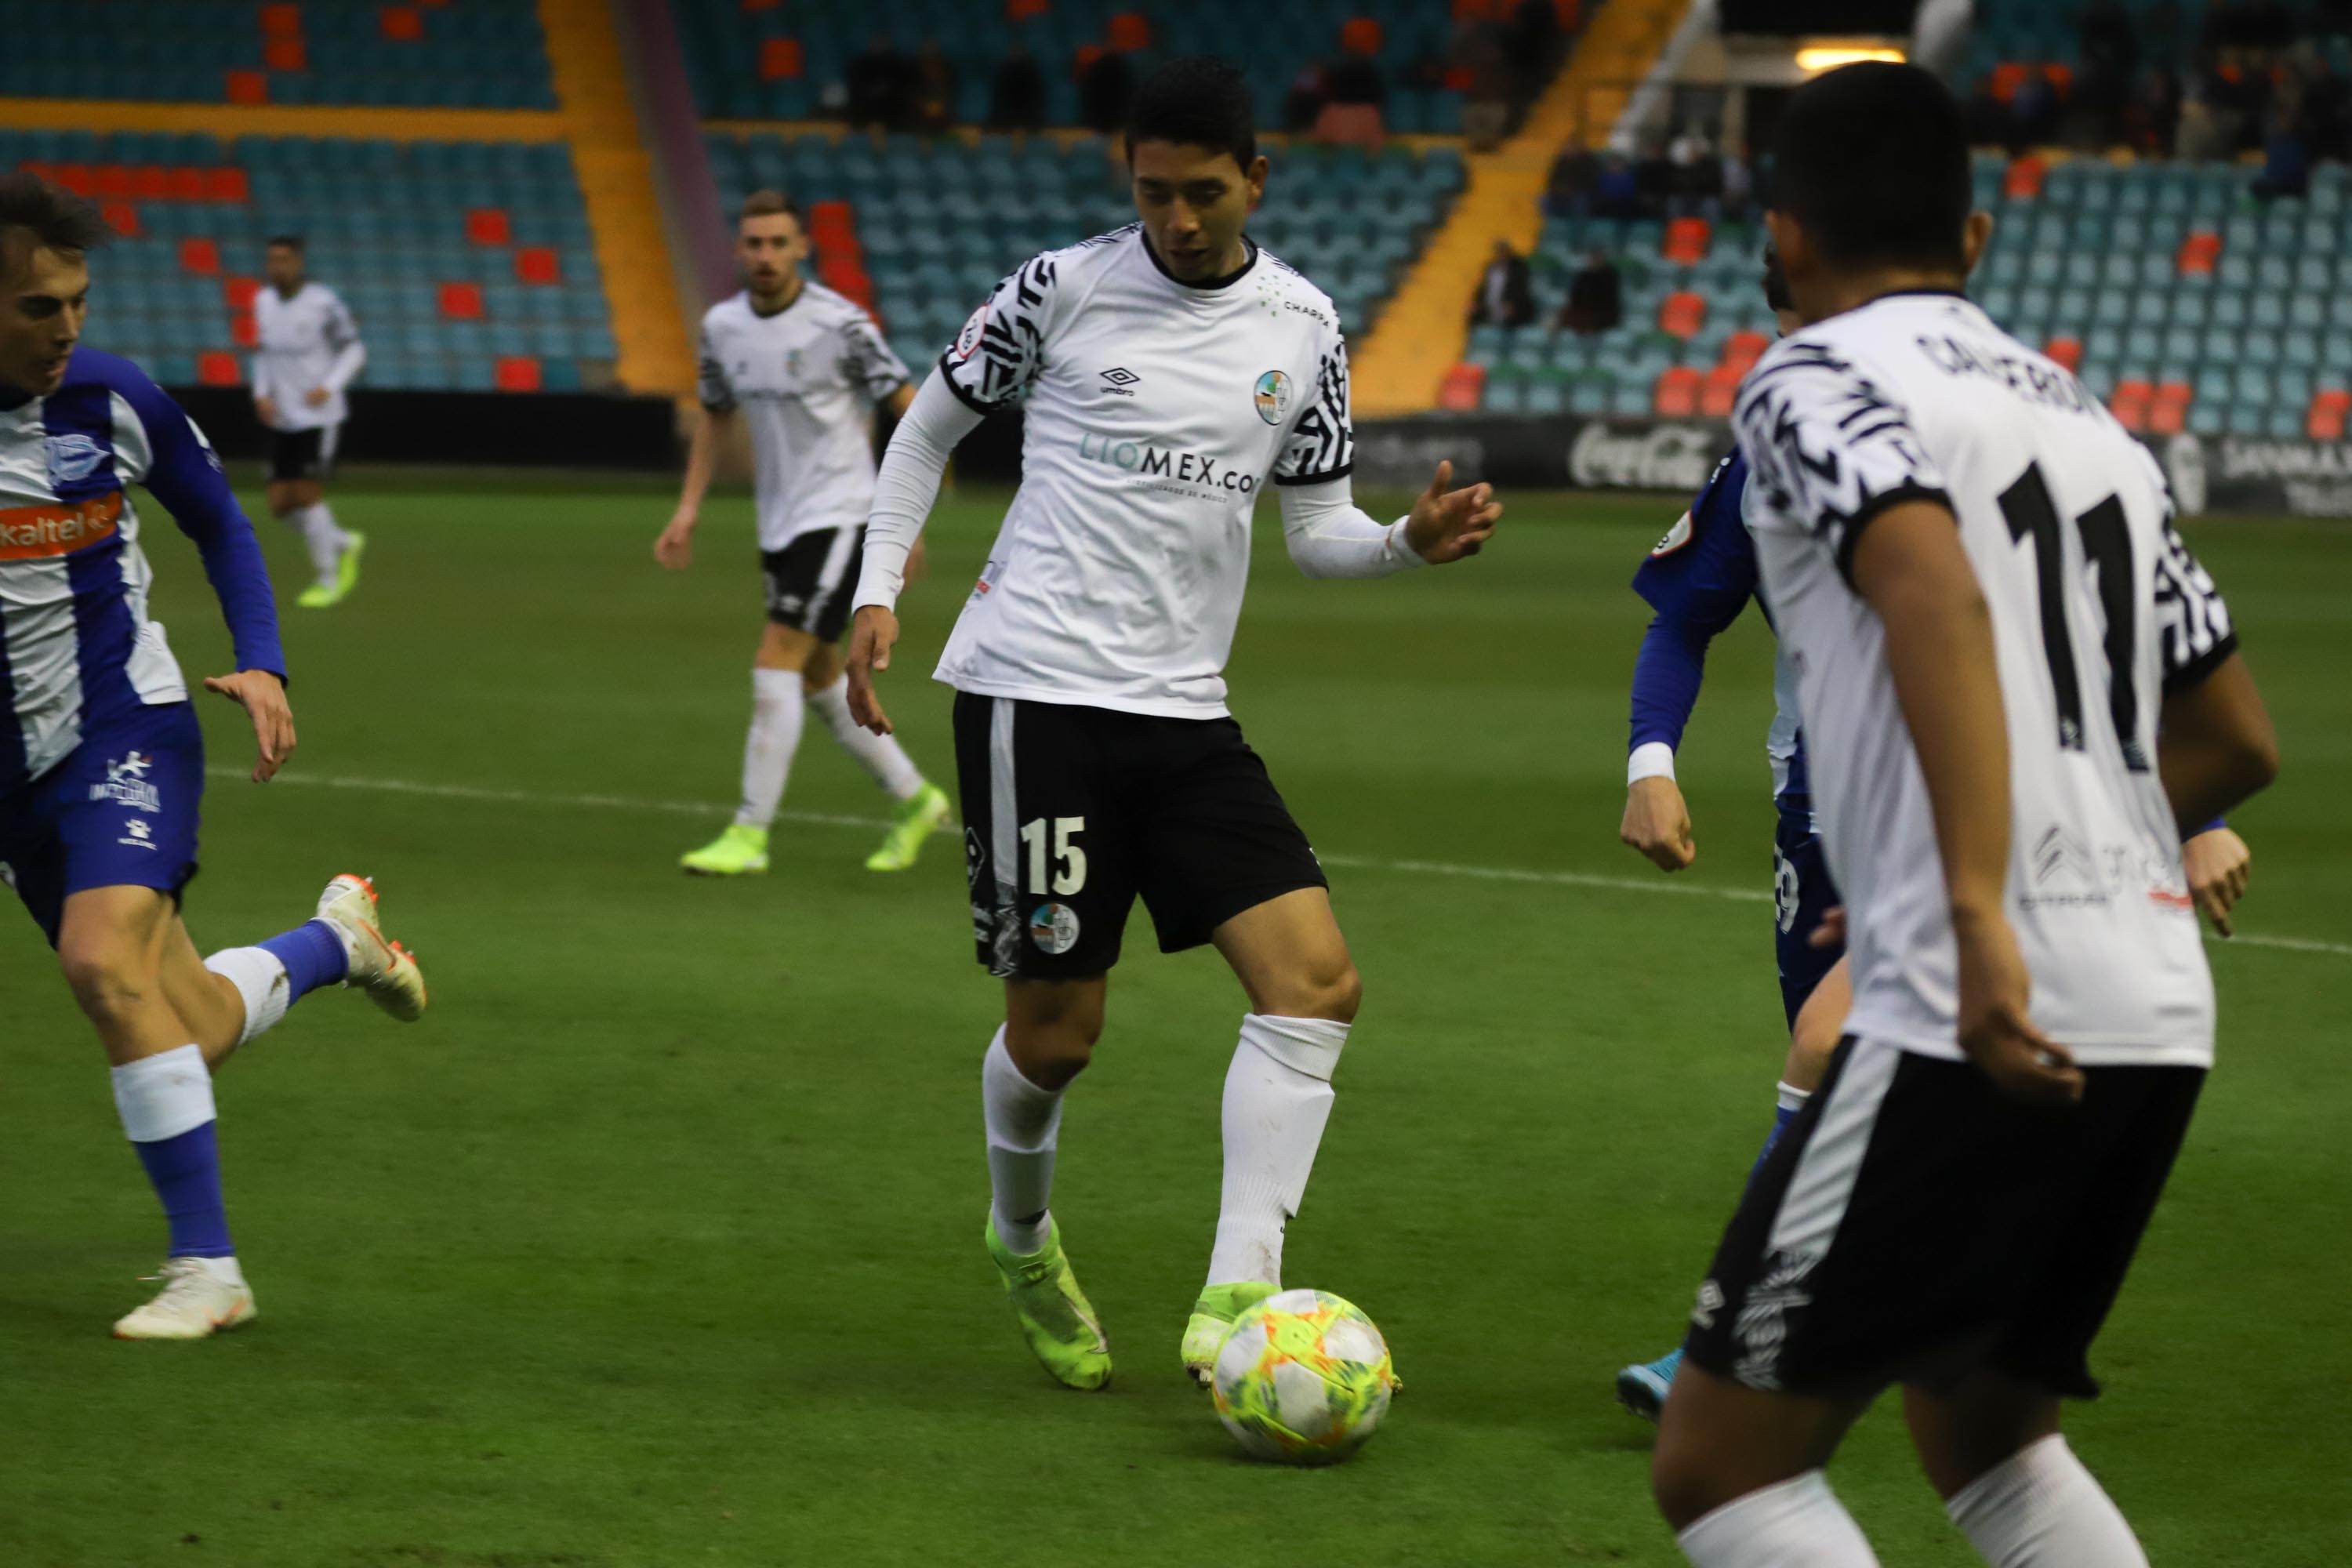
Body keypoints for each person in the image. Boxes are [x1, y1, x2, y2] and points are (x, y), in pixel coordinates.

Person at [1650, 64, 2278, 1566]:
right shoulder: (2092, 429)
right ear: (1978, 235)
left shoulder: (1806, 379)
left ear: (1782, 232)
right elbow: (2233, 736)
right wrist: (2054, 860)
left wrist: (1978, 900)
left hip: (1966, 998)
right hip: (2152, 998)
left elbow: (1920, 575)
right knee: (1983, 1427)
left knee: (1723, 1466)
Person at [840, 56, 1500, 1393]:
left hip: (1187, 714)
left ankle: (1237, 1292)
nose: (1179, 220)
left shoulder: (1305, 328)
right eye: (1155, 193)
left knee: (1316, 986)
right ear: (1126, 180)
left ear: (1257, 178)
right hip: (1038, 693)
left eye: (1204, 194)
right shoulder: (1062, 288)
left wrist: (1408, 547)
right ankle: (1022, 1239)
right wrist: (874, 585)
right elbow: (925, 430)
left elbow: (1317, 534)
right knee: (1058, 1037)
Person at [0, 174, 426, 1341]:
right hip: (8, 770)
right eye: (41, 307)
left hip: (123, 726)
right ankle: (334, 943)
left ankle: (209, 1271)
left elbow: (220, 519)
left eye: (77, 302)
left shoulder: (108, 400)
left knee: (100, 963)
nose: (68, 327)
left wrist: (264, 660)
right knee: (175, 1019)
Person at [655, 191, 951, 879]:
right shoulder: (722, 327)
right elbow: (716, 414)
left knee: (775, 657)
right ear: (738, 250)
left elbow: (912, 409)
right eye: (753, 244)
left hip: (845, 514)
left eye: (777, 243)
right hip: (780, 522)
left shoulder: (840, 325)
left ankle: (749, 833)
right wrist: (688, 508)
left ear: (801, 249)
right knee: (818, 674)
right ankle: (916, 799)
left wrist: (905, 521)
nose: (764, 256)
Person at [251, 235, 365, 609]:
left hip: (319, 416)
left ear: (298, 262)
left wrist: (328, 387)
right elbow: (264, 354)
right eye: (272, 260)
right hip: (282, 415)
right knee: (279, 505)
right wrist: (261, 393)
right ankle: (342, 541)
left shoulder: (323, 303)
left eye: (284, 260)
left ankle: (329, 579)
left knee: (306, 494)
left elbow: (354, 349)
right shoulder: (263, 302)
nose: (277, 267)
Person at [1470, 238, 1537, 327]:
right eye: (1498, 252)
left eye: (1503, 252)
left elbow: (1520, 288)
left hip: (1512, 310)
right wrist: (1477, 302)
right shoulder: (1492, 268)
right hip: (1489, 309)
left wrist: (1513, 303)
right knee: (1473, 318)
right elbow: (1484, 287)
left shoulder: (1518, 269)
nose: (1500, 255)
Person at [1556, 246, 1622, 334]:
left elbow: (1606, 299)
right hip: (1582, 310)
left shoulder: (1610, 276)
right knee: (1558, 317)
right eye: (1592, 258)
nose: (1593, 261)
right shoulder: (1584, 275)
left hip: (1602, 313)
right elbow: (1575, 296)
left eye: (1596, 258)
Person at [989, 42, 1047, 133]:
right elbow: (1000, 98)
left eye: (1019, 54)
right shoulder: (1004, 72)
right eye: (1015, 54)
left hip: (1028, 115)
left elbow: (1036, 98)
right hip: (1007, 115)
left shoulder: (1032, 73)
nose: (1017, 57)